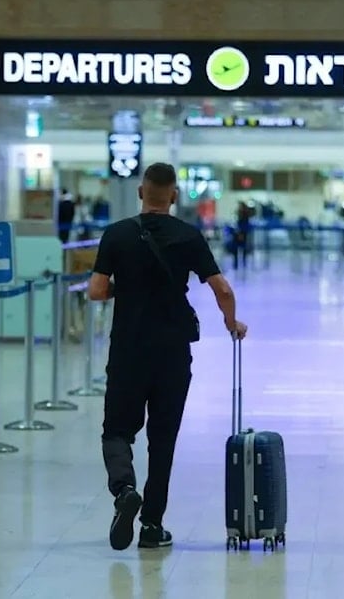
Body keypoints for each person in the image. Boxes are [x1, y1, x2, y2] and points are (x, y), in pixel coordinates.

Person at [87, 162, 248, 551]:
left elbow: (95, 291)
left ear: (142, 192)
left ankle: (124, 488)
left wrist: (125, 293)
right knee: (163, 439)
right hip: (173, 352)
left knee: (117, 430)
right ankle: (152, 526)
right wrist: (232, 322)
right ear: (173, 196)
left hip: (128, 348)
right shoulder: (188, 236)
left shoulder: (117, 234)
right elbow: (221, 288)